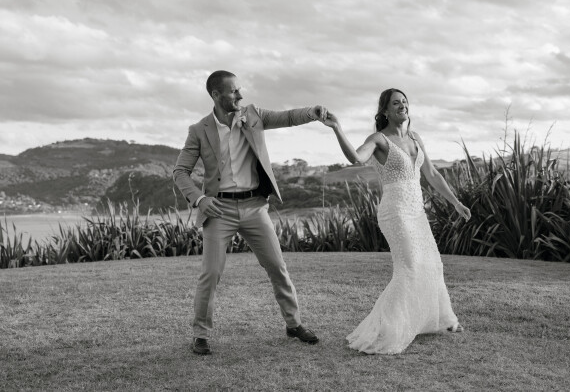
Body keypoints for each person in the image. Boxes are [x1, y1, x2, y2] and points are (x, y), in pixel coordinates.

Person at [173, 70, 327, 355]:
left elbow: (287, 117)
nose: (240, 95)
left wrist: (312, 112)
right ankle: (201, 335)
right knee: (210, 273)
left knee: (277, 267)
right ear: (216, 95)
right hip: (219, 209)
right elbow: (180, 172)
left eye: (239, 90)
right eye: (234, 91)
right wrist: (200, 199)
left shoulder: (253, 115)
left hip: (255, 207)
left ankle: (294, 324)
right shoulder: (199, 130)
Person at [321, 88, 472, 355]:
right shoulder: (379, 139)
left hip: (417, 211)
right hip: (395, 212)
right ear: (385, 111)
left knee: (433, 265)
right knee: (409, 268)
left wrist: (456, 203)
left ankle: (442, 320)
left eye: (404, 101)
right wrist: (337, 128)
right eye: (395, 103)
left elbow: (432, 174)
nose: (402, 105)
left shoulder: (415, 137)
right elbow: (356, 157)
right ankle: (390, 331)